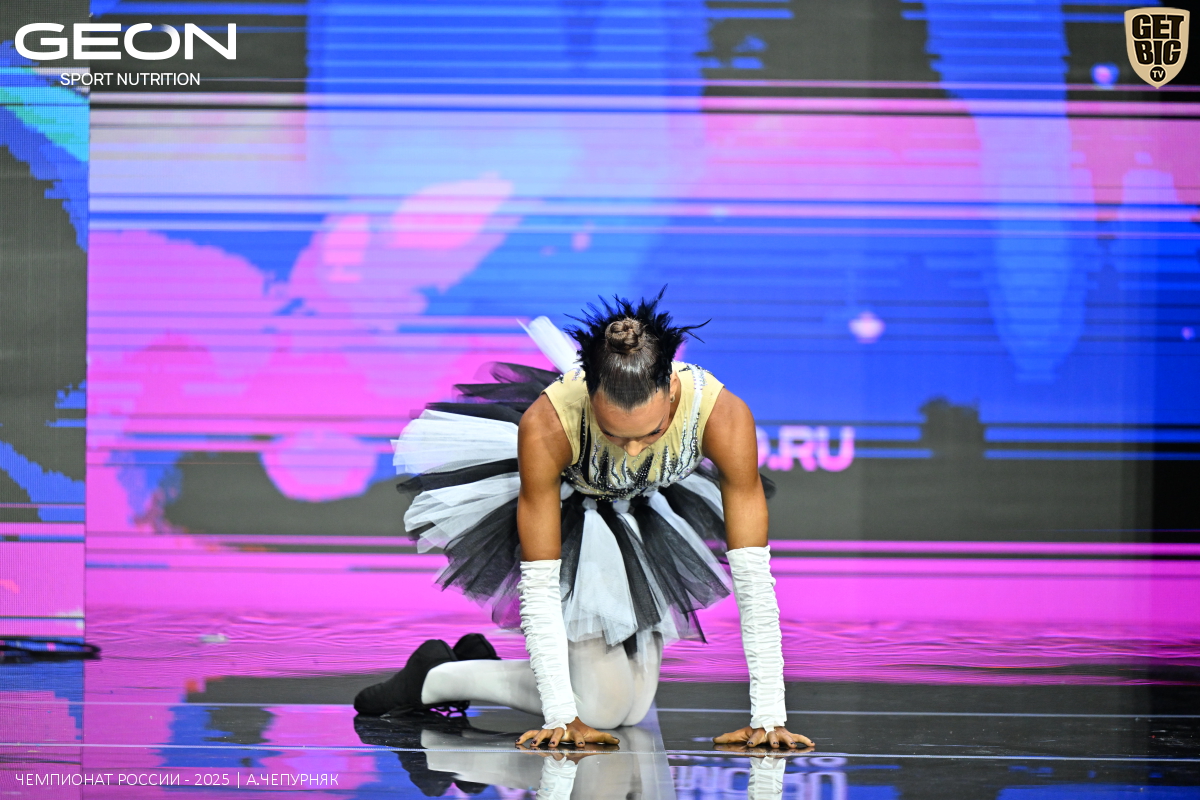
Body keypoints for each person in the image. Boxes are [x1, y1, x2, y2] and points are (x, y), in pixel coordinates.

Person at [354, 291, 812, 752]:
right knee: (599, 711)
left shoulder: (721, 415)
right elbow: (539, 582)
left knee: (632, 711)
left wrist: (768, 717)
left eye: (651, 433)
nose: (633, 451)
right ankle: (434, 678)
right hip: (573, 514)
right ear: (591, 396)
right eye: (614, 433)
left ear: (672, 391)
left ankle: (463, 667)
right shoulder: (550, 423)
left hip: (645, 512)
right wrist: (560, 716)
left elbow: (754, 575)